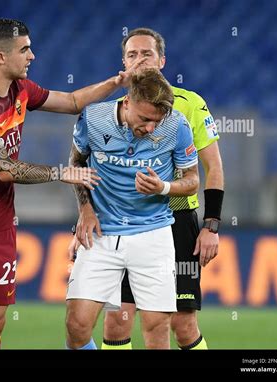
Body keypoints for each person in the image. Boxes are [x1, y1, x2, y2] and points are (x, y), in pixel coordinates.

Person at [0, 18, 140, 350]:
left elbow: (73, 101)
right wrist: (61, 172)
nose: (32, 56)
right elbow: (2, 168)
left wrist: (116, 83)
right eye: (25, 49)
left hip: (0, 225)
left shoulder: (21, 91)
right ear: (1, 56)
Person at [69, 28, 225, 350]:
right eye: (132, 54)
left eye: (147, 54)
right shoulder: (108, 114)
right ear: (123, 63)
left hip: (176, 217)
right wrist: (85, 212)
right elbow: (81, 165)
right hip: (118, 226)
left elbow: (212, 168)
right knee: (117, 319)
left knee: (181, 323)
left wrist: (211, 225)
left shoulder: (188, 105)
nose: (139, 60)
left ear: (162, 60)